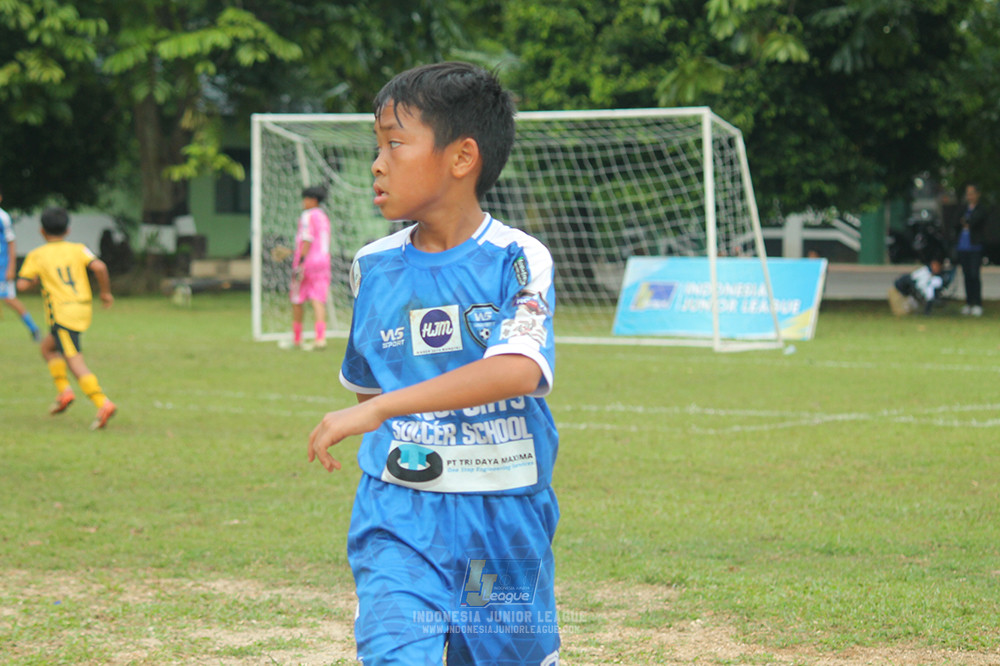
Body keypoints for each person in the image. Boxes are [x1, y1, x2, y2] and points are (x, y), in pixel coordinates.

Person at [307, 62, 561, 665]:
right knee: (397, 653)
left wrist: (384, 410)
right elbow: (370, 386)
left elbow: (518, 369)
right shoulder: (373, 267)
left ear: (462, 157)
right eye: (377, 146)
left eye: (394, 143)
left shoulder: (518, 259)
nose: (377, 163)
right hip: (398, 511)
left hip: (502, 512)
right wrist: (384, 418)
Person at [17, 206, 117, 430]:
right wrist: (105, 292)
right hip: (82, 308)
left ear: (42, 231)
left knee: (74, 360)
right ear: (68, 230)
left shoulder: (37, 255)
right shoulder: (78, 249)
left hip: (63, 313)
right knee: (48, 348)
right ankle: (64, 392)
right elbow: (99, 267)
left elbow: (22, 284)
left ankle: (103, 403)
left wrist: (35, 279)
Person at [290, 185, 332, 349]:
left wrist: (300, 260)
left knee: (297, 298)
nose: (303, 202)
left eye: (305, 199)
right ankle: (320, 338)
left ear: (313, 200)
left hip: (307, 262)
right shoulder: (324, 217)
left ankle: (297, 339)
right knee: (318, 299)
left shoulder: (307, 215)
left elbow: (307, 238)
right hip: (323, 262)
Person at [0, 186, 42, 341]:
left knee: (9, 299)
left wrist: (11, 267)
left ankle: (34, 328)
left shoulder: (3, 217)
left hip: (2, 266)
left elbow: (11, 242)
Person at [954, 183, 989, 316]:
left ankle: (978, 303)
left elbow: (973, 222)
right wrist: (965, 221)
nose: (969, 196)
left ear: (977, 194)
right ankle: (968, 303)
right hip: (963, 247)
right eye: (967, 193)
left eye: (971, 193)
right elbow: (957, 222)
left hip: (975, 247)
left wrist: (967, 221)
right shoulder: (963, 208)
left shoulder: (981, 209)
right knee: (966, 275)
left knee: (974, 275)